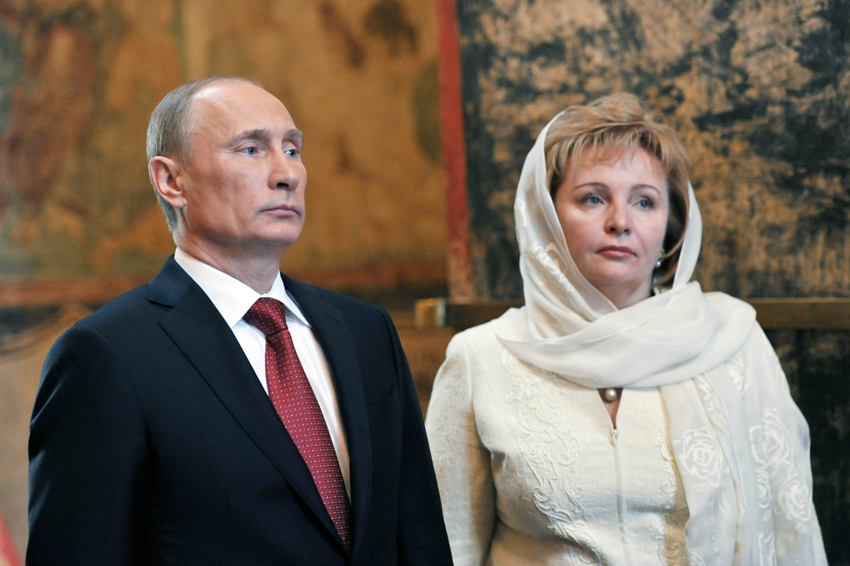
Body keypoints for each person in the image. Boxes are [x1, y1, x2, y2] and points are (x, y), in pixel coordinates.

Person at [27, 76, 453, 566]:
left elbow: (418, 539)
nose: (285, 174)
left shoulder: (364, 332)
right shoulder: (107, 355)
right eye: (250, 149)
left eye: (292, 150)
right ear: (171, 181)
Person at [425, 93, 827, 565]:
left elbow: (790, 531)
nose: (621, 222)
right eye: (593, 198)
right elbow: (446, 546)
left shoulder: (732, 343)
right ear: (546, 219)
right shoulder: (482, 357)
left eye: (644, 201)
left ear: (669, 227)